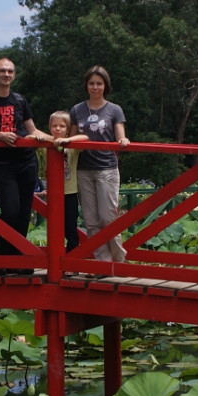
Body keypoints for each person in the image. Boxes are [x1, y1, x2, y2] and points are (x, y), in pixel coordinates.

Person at [0, 58, 51, 275]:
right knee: (10, 210)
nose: (6, 74)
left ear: (14, 75)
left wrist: (56, 140)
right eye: (2, 71)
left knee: (24, 212)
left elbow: (32, 130)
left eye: (10, 71)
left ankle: (19, 260)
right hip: (2, 163)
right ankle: (0, 259)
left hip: (26, 161)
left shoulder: (19, 100)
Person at [69, 65, 129, 266]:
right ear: (86, 85)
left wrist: (124, 141)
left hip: (106, 169)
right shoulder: (77, 109)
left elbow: (121, 136)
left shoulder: (114, 109)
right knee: (91, 220)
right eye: (92, 83)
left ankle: (119, 260)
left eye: (99, 83)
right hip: (83, 169)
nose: (95, 87)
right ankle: (102, 262)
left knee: (108, 217)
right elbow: (72, 138)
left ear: (105, 86)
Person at [31, 111, 85, 252]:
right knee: (55, 227)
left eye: (62, 126)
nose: (58, 129)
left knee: (70, 226)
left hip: (69, 192)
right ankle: (57, 258)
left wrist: (68, 140)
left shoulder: (73, 147)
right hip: (53, 192)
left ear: (68, 129)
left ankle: (72, 258)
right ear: (50, 128)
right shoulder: (46, 145)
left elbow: (85, 137)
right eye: (54, 126)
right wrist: (40, 137)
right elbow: (28, 136)